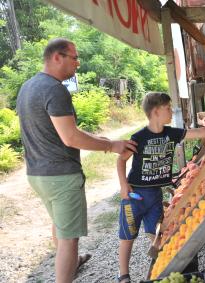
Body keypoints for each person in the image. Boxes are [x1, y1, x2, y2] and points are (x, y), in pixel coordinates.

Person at [16, 38, 137, 283]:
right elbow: (70, 137)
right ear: (57, 57)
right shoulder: (55, 89)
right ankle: (66, 272)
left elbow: (65, 130)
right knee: (69, 238)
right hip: (61, 176)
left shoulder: (28, 86)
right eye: (74, 57)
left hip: (37, 174)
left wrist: (100, 138)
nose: (78, 64)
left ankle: (74, 261)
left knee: (60, 227)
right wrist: (111, 145)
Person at [116, 92, 205, 282]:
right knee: (127, 235)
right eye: (168, 108)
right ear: (157, 111)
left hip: (154, 195)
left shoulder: (171, 134)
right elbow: (121, 160)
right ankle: (123, 275)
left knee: (157, 233)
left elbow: (199, 133)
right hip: (135, 193)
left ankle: (162, 269)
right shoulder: (139, 137)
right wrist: (123, 185)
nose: (171, 111)